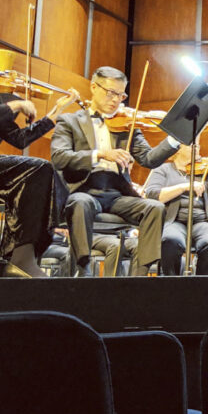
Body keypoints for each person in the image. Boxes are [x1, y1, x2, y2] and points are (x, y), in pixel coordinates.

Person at [0, 13, 78, 277]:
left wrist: (52, 116)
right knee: (38, 169)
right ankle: (19, 258)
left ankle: (18, 257)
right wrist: (13, 105)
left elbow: (18, 139)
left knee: (39, 171)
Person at [50, 66, 181, 276]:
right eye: (111, 93)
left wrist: (175, 138)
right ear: (94, 87)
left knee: (154, 208)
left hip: (117, 195)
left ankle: (140, 277)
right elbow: (59, 157)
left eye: (120, 95)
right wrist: (100, 154)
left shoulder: (127, 125)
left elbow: (149, 159)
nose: (115, 100)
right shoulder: (70, 121)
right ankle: (82, 271)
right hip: (85, 190)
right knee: (80, 203)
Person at [143, 142, 208, 275]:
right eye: (192, 145)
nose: (197, 148)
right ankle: (171, 282)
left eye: (198, 146)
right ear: (177, 150)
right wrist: (185, 186)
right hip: (174, 220)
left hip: (201, 221)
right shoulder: (163, 169)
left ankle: (201, 284)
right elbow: (153, 195)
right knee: (170, 240)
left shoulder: (204, 170)